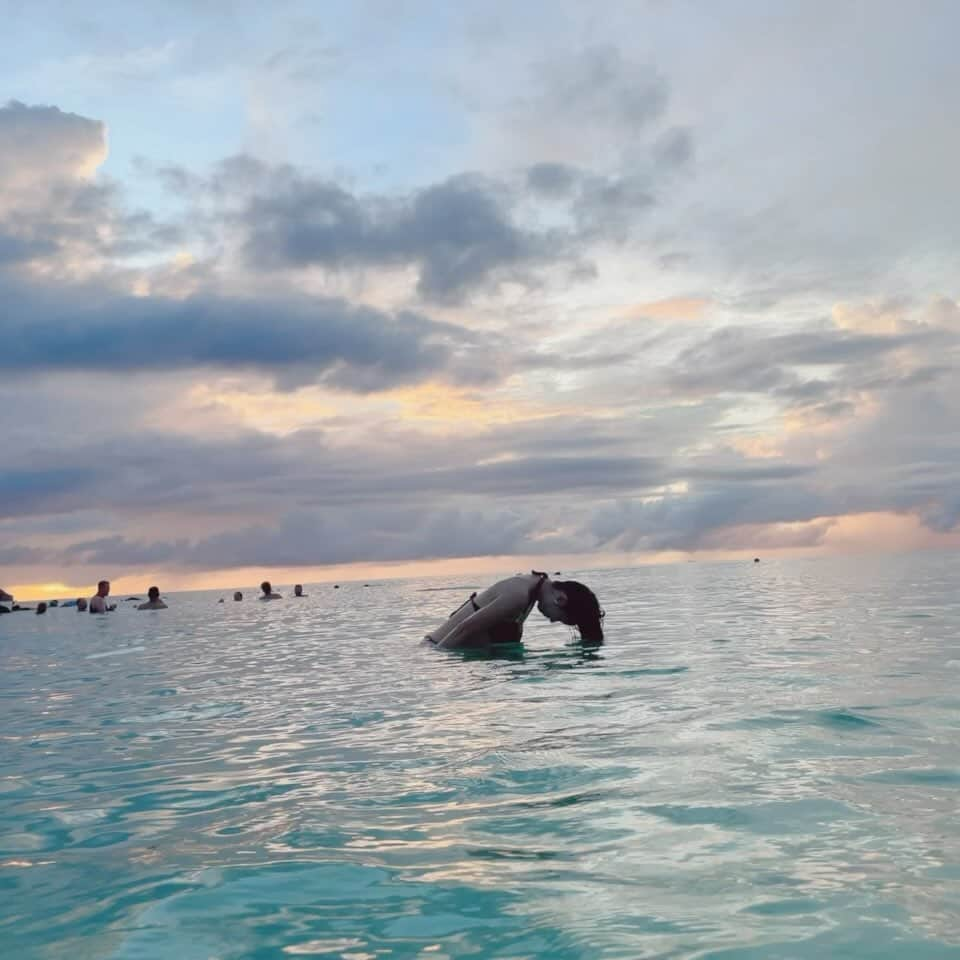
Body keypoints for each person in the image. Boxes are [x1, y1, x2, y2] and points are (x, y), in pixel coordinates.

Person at [425, 571, 604, 650]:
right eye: (560, 619)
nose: (551, 620)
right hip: (436, 648)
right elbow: (464, 629)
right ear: (561, 600)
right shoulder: (518, 595)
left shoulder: (532, 589)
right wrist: (438, 664)